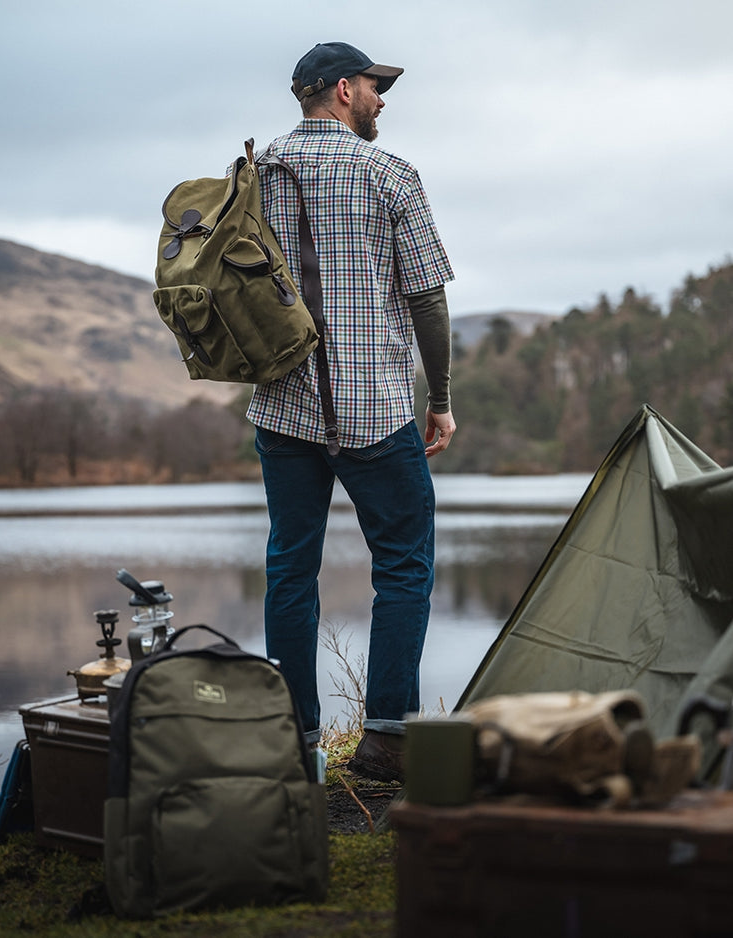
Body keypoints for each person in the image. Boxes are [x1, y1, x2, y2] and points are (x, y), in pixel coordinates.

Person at [250, 41, 456, 782]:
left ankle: (294, 743)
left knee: (290, 569)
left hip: (281, 408)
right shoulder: (390, 173)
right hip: (375, 409)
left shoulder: (255, 172)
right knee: (404, 566)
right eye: (374, 86)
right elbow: (427, 298)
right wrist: (441, 401)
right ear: (342, 90)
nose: (381, 99)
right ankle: (387, 739)